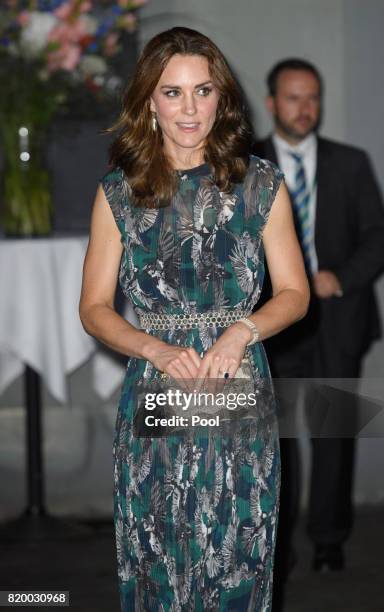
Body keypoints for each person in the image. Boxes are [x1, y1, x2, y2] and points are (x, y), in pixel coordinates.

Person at [79, 29, 309, 611]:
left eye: (202, 91)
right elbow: (94, 309)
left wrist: (242, 330)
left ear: (221, 97)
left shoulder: (261, 185)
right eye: (172, 93)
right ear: (148, 103)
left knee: (235, 549)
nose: (189, 109)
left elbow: (294, 293)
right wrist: (155, 349)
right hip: (160, 386)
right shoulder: (118, 193)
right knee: (159, 550)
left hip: (237, 383)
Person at [252, 58, 384, 598]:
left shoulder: (351, 163)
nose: (304, 109)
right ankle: (275, 545)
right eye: (292, 98)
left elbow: (377, 237)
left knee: (333, 434)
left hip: (337, 318)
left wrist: (340, 278)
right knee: (274, 442)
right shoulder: (244, 164)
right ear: (271, 103)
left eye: (313, 98)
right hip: (273, 323)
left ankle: (330, 538)